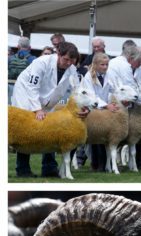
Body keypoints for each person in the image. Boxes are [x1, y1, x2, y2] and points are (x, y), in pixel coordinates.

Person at [11, 41, 84, 178]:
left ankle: (49, 168)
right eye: (66, 59)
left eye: (72, 61)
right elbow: (32, 87)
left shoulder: (72, 70)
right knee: (26, 130)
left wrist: (83, 107)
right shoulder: (42, 62)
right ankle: (23, 169)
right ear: (58, 54)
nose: (68, 63)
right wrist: (37, 109)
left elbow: (78, 91)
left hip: (47, 101)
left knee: (50, 130)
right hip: (26, 95)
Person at [82, 52, 120, 171]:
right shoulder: (88, 76)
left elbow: (115, 89)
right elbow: (91, 96)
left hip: (106, 110)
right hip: (92, 109)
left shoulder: (110, 75)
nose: (105, 67)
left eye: (107, 64)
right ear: (96, 64)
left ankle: (103, 164)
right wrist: (106, 105)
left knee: (105, 136)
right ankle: (96, 164)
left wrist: (115, 101)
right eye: (102, 64)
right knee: (95, 136)